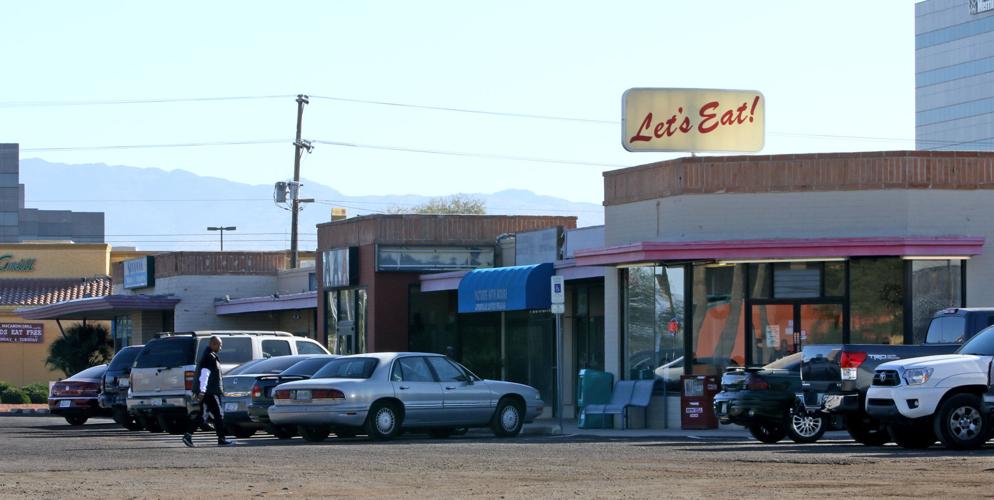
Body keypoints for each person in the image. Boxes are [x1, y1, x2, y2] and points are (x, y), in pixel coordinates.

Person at [182, 336, 234, 447]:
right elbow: (204, 375)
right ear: (213, 344)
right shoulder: (209, 357)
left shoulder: (209, 355)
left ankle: (188, 435)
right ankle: (221, 439)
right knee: (218, 414)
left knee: (202, 415)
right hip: (209, 392)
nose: (221, 347)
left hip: (208, 391)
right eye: (219, 345)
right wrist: (202, 391)